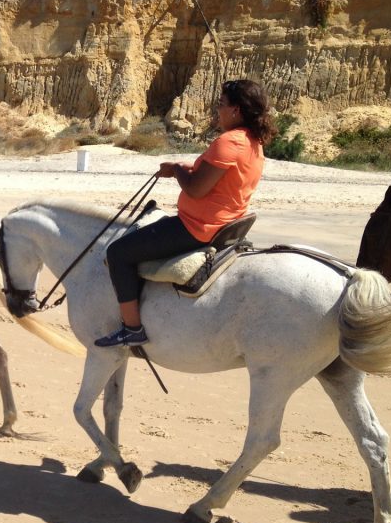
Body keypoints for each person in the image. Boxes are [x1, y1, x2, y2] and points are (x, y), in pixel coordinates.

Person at [95, 79, 276, 347]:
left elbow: (195, 189)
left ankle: (132, 328)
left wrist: (178, 170)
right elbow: (219, 175)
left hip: (198, 227)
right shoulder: (252, 141)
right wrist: (187, 166)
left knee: (117, 253)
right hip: (225, 223)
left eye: (221, 104)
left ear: (236, 110)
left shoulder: (228, 142)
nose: (218, 109)